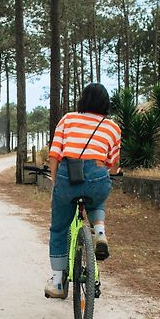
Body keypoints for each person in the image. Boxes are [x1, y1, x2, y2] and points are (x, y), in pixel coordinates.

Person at [45, 83, 121, 298]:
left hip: (68, 177)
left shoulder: (68, 119)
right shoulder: (113, 127)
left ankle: (58, 283)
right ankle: (99, 232)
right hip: (97, 176)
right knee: (97, 199)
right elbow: (113, 166)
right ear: (106, 103)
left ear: (83, 100)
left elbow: (54, 155)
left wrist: (55, 183)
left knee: (59, 228)